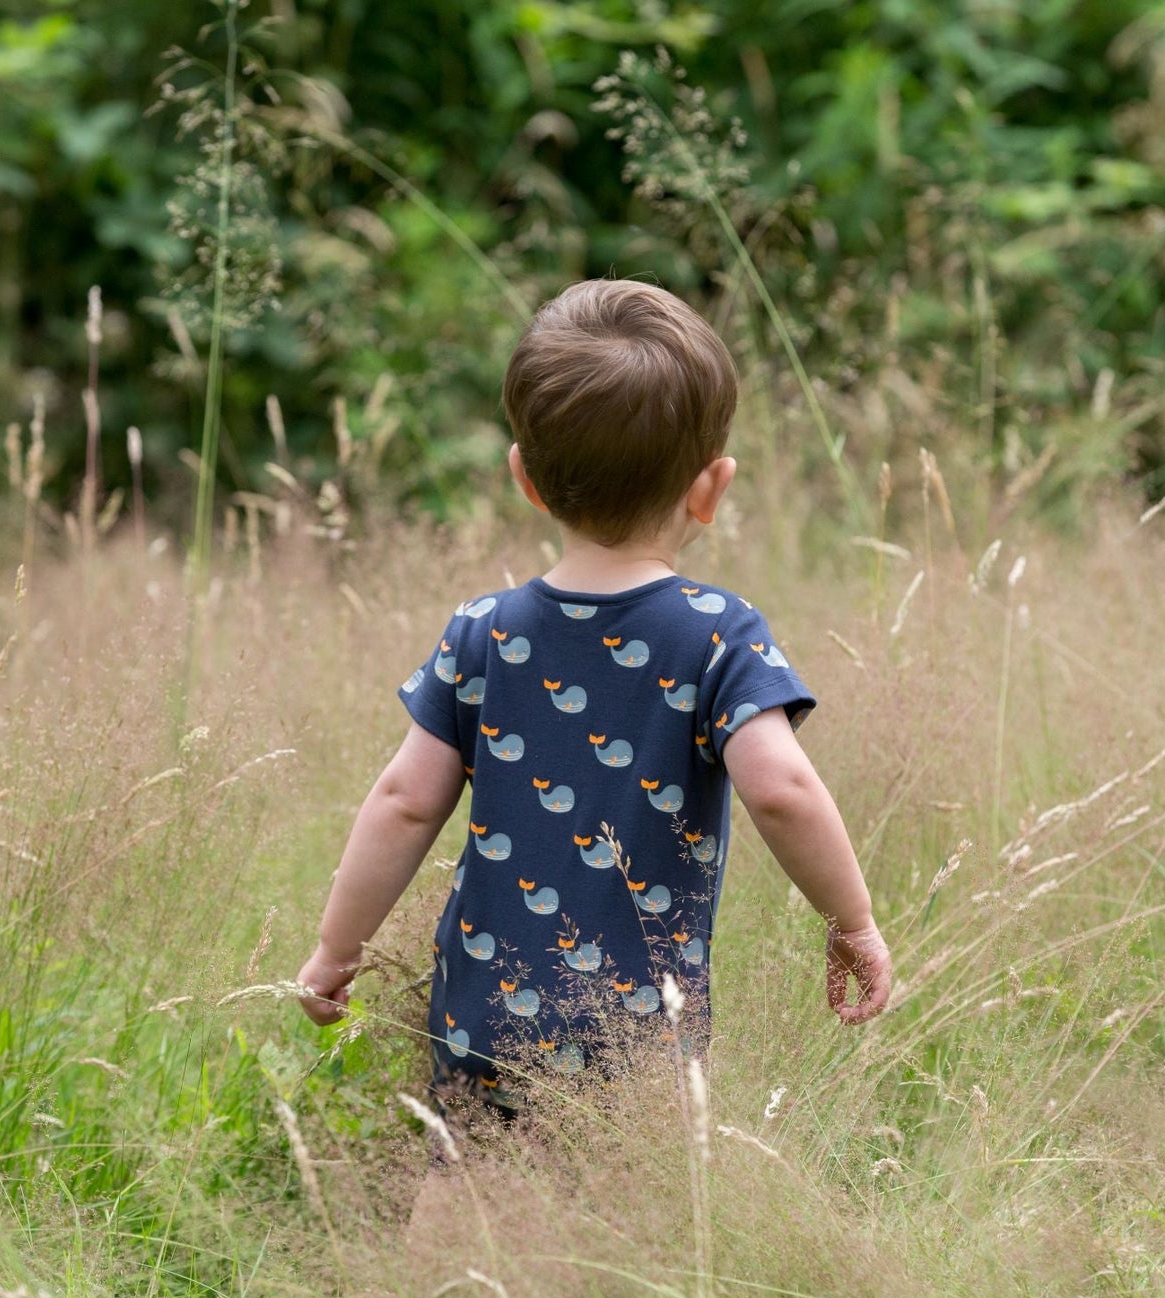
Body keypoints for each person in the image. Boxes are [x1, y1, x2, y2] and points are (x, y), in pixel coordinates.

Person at [296, 279, 891, 1111]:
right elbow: (783, 790)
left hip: (484, 1004)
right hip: (642, 1019)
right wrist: (851, 921)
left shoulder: (484, 631)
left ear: (525, 480)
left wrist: (336, 947)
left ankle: (435, 1249)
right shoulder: (717, 633)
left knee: (465, 1170)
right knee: (633, 1209)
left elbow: (403, 802)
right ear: (710, 489)